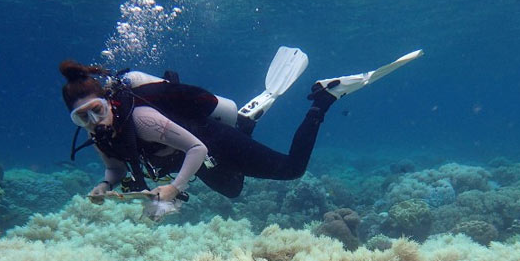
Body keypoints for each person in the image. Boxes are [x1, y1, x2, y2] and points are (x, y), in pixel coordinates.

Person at [59, 49, 422, 209]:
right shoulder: (98, 134)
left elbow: (197, 150)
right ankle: (246, 121)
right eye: (82, 118)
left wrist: (173, 187)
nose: (94, 122)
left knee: (291, 170)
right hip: (192, 157)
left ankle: (324, 99)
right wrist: (105, 184)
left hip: (207, 142)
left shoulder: (142, 119)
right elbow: (115, 167)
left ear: (108, 100)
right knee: (232, 190)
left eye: (96, 110)